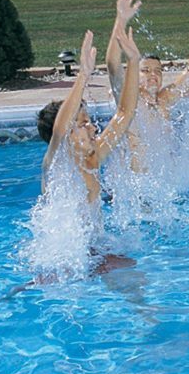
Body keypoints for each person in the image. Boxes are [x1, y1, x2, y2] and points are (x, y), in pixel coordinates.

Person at [36, 27, 141, 272]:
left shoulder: (93, 158)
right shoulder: (55, 166)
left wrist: (134, 62)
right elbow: (61, 129)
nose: (93, 127)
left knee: (131, 271)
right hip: (64, 262)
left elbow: (125, 114)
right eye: (83, 123)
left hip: (93, 251)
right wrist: (83, 75)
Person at [106, 0, 189, 119]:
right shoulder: (129, 102)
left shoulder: (163, 100)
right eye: (146, 70)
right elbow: (113, 67)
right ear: (133, 75)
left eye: (158, 71)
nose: (153, 74)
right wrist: (121, 19)